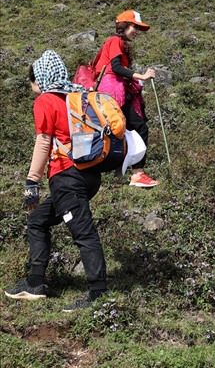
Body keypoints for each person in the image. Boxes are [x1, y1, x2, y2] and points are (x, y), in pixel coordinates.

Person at [4, 51, 110, 312]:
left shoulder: (46, 100)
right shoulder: (76, 97)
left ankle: (99, 292)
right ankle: (35, 283)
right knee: (38, 219)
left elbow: (43, 141)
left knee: (83, 233)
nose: (31, 87)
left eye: (32, 81)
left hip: (67, 177)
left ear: (39, 79)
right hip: (89, 175)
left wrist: (31, 182)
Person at [93, 10, 158, 188]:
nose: (136, 31)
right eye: (133, 26)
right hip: (113, 92)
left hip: (112, 92)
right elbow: (115, 68)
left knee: (124, 130)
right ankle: (137, 173)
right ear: (124, 26)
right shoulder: (115, 41)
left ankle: (121, 173)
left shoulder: (119, 43)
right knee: (139, 127)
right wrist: (141, 76)